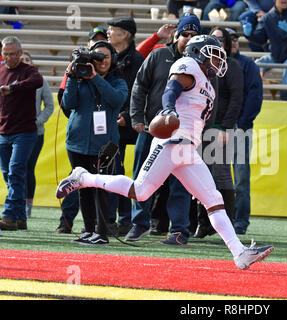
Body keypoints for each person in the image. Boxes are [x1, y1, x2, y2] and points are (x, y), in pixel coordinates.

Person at [56, 35, 273, 270]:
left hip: (187, 146)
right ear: (198, 52)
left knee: (213, 199)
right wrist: (168, 108)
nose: (217, 59)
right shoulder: (188, 65)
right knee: (140, 191)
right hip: (172, 140)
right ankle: (83, 177)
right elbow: (171, 89)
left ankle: (239, 253)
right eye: (212, 53)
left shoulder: (208, 82)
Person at [124, 14, 201, 244]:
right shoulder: (159, 54)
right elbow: (139, 86)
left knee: (182, 183)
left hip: (184, 133)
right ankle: (139, 224)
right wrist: (136, 117)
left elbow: (209, 98)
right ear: (177, 34)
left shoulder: (201, 63)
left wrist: (200, 130)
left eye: (193, 35)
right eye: (184, 34)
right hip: (152, 128)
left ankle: (179, 230)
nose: (188, 39)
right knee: (141, 176)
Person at [61, 40, 128, 245]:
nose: (102, 61)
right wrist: (71, 77)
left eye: (106, 57)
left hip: (105, 145)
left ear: (113, 59)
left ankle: (102, 232)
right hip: (77, 143)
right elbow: (68, 103)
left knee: (102, 188)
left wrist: (95, 77)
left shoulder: (118, 82)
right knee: (84, 187)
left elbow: (116, 100)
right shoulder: (80, 80)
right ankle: (89, 230)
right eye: (97, 56)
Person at [55, 26, 109, 234]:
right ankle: (67, 220)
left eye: (102, 41)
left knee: (100, 180)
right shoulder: (76, 66)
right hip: (80, 137)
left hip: (103, 138)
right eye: (94, 42)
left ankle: (104, 226)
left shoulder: (112, 72)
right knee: (77, 179)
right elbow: (64, 100)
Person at [193, 27, 244, 238]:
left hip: (220, 127)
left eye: (221, 39)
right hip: (199, 126)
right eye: (213, 39)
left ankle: (228, 225)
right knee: (198, 177)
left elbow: (236, 100)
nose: (217, 42)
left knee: (222, 176)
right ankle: (201, 224)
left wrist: (225, 127)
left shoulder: (232, 67)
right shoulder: (201, 66)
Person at [106, 16, 145, 236]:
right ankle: (114, 219)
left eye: (113, 29)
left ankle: (127, 219)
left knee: (136, 172)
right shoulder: (107, 57)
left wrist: (126, 115)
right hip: (113, 125)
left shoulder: (138, 60)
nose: (109, 32)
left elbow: (138, 92)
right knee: (112, 169)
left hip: (131, 124)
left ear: (125, 34)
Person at [0, 36, 43, 231]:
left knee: (16, 170)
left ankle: (8, 215)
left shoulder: (28, 71)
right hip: (3, 131)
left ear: (19, 53)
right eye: (5, 54)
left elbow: (37, 81)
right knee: (9, 174)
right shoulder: (0, 71)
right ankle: (19, 217)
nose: (8, 58)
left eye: (12, 54)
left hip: (25, 132)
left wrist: (12, 89)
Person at [226, 27, 263, 235]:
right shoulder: (216, 64)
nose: (233, 43)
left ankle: (240, 221)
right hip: (219, 128)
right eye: (229, 40)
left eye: (235, 39)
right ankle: (214, 221)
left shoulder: (248, 65)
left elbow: (254, 98)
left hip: (239, 128)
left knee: (240, 178)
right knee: (213, 178)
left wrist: (241, 123)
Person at [241, 0, 287, 101]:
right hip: (275, 56)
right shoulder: (267, 17)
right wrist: (249, 34)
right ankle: (252, 95)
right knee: (257, 64)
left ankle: (286, 100)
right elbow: (260, 39)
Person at [20, 51, 55, 218]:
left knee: (27, 168)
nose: (25, 62)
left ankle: (27, 205)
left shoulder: (40, 81)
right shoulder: (9, 79)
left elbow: (49, 106)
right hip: (11, 131)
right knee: (13, 169)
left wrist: (37, 121)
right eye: (22, 60)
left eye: (28, 59)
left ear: (32, 63)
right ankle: (15, 203)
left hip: (35, 133)